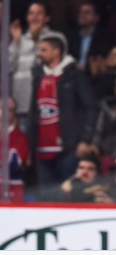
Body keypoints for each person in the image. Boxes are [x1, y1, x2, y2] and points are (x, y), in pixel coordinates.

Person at [28, 33, 99, 190]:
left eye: (43, 50)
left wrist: (85, 139)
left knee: (69, 195)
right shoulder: (38, 75)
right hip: (41, 151)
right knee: (46, 199)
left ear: (56, 51)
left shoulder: (75, 75)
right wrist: (30, 144)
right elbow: (34, 111)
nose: (39, 53)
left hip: (68, 149)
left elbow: (91, 107)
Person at [9, 1, 66, 130]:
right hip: (21, 104)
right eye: (31, 13)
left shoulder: (57, 38)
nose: (34, 17)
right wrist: (15, 43)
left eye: (39, 13)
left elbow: (49, 65)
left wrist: (36, 41)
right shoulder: (20, 39)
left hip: (46, 105)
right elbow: (8, 68)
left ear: (47, 18)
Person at [66, 1, 114, 72]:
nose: (82, 15)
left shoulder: (105, 36)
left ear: (96, 18)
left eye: (87, 12)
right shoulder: (72, 35)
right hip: (74, 73)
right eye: (81, 12)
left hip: (94, 73)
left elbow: (102, 58)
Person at [0, 97, 29, 180]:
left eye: (10, 110)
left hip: (11, 185)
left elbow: (15, 162)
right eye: (2, 108)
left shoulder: (20, 136)